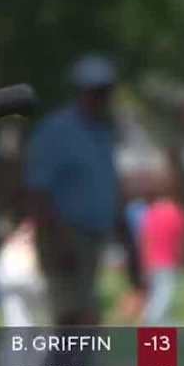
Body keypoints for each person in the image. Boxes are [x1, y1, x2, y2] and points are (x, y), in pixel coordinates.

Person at [22, 55, 144, 326]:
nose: (102, 99)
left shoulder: (103, 133)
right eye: (96, 92)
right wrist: (58, 240)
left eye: (106, 92)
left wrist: (128, 244)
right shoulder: (57, 131)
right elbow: (38, 192)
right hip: (65, 237)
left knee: (82, 324)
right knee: (77, 322)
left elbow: (110, 190)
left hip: (93, 240)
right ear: (82, 92)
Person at [138, 181, 184, 324]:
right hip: (168, 259)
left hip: (151, 259)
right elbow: (181, 240)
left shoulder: (151, 213)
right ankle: (152, 320)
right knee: (165, 292)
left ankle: (158, 321)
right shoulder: (176, 213)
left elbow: (144, 238)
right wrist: (182, 258)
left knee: (156, 292)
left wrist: (144, 260)